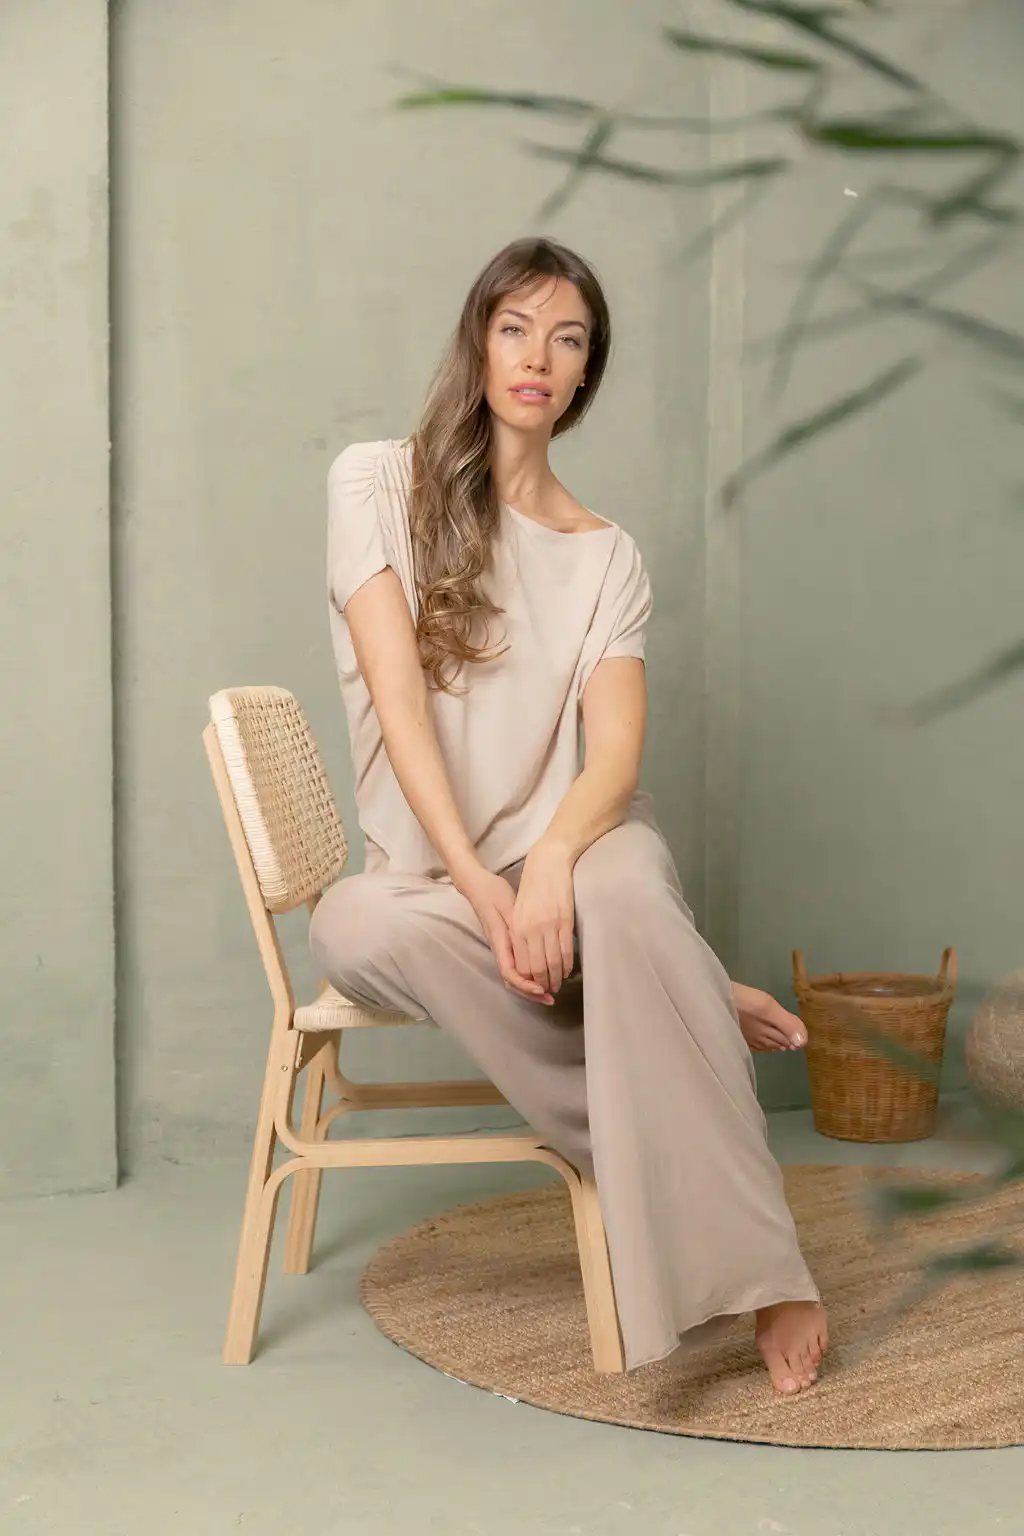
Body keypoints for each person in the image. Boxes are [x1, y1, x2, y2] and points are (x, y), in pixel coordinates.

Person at [310, 236, 829, 1394]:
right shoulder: (373, 484)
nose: (537, 357)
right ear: (478, 341)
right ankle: (688, 1001)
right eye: (515, 329)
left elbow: (616, 754)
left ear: (588, 369)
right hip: (442, 880)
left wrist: (547, 865)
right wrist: (480, 881)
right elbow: (398, 702)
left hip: (580, 847)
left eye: (567, 338)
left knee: (624, 888)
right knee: (351, 923)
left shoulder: (608, 556)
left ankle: (764, 1260)